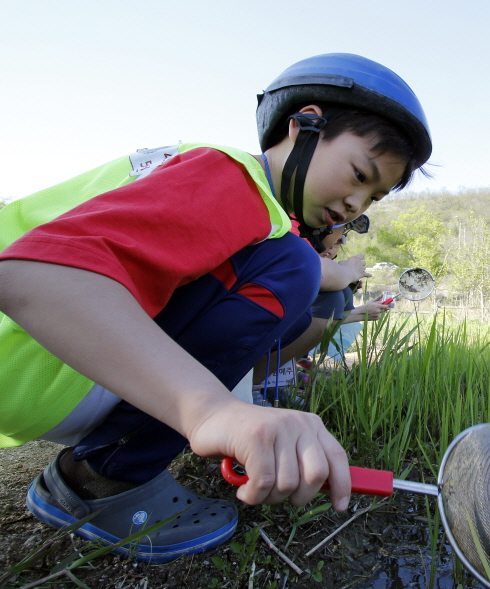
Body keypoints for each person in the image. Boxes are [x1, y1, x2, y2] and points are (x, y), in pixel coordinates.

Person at [0, 53, 432, 562]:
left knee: (298, 284)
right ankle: (104, 477)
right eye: (360, 174)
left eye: (374, 197)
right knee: (295, 267)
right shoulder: (231, 178)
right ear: (303, 127)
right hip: (34, 356)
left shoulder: (250, 205)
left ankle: (124, 451)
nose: (359, 203)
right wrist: (209, 410)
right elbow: (27, 275)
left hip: (46, 369)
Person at [253, 222, 390, 400]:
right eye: (331, 236)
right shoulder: (294, 240)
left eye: (340, 240)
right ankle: (255, 384)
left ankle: (275, 381)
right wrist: (347, 273)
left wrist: (357, 303)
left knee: (338, 292)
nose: (333, 245)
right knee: (332, 294)